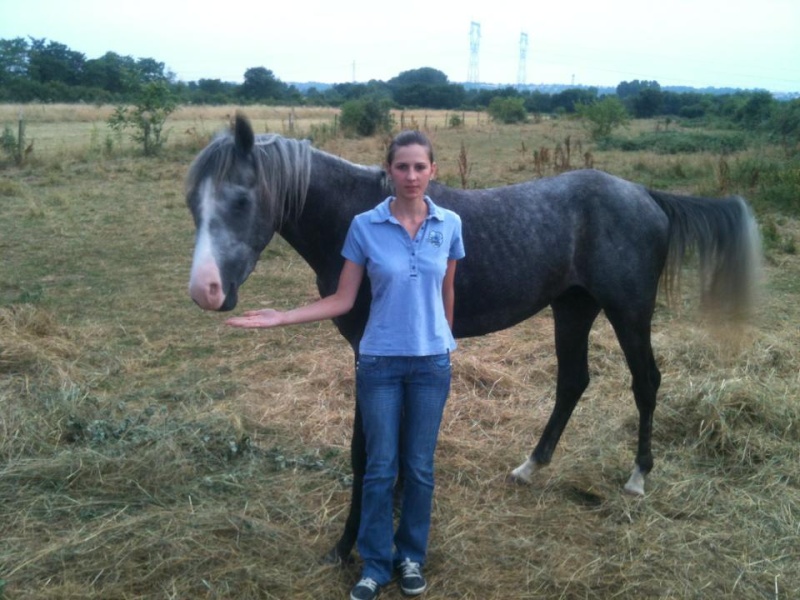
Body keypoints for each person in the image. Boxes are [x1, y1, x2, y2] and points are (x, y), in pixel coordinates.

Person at [226, 130, 465, 600]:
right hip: (378, 363)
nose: (412, 176)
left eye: (420, 167)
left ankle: (411, 557)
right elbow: (342, 297)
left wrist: (445, 341)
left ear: (433, 171)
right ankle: (375, 564)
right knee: (379, 468)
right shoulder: (365, 226)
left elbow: (447, 290)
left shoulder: (450, 223)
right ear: (388, 171)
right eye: (402, 167)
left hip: (430, 366)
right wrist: (283, 317)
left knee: (418, 468)